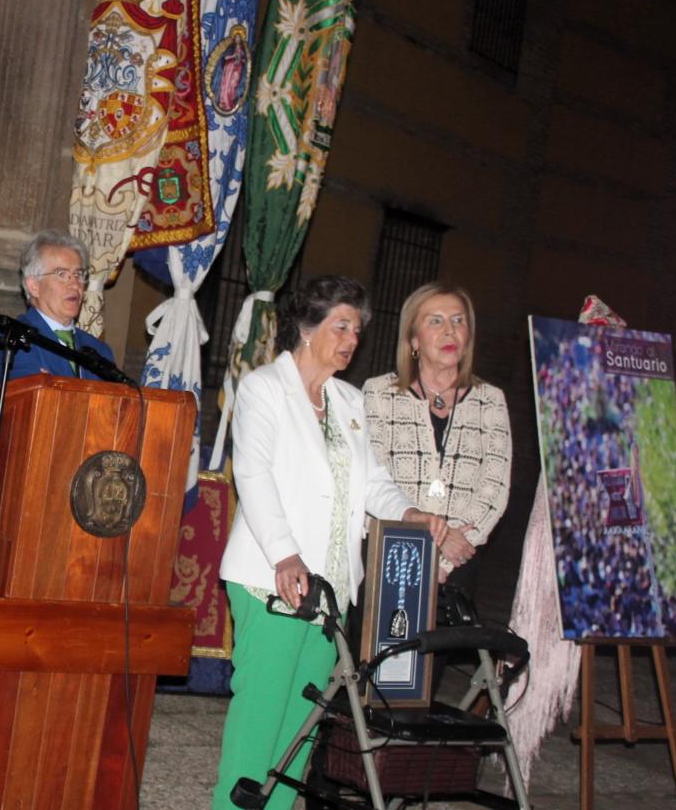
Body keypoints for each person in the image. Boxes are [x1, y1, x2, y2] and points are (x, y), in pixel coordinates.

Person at [213, 276, 447, 810]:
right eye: (340, 326)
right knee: (260, 719)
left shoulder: (348, 400)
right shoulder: (264, 388)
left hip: (331, 591)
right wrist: (284, 553)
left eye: (357, 331)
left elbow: (373, 483)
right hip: (272, 579)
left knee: (300, 726)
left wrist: (410, 511)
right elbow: (252, 475)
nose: (350, 340)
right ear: (306, 326)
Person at [362, 282, 511, 593]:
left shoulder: (491, 400)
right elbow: (373, 479)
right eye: (436, 321)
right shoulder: (379, 394)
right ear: (414, 340)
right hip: (392, 558)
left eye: (458, 321)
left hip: (459, 563)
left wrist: (445, 560)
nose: (449, 331)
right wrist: (433, 543)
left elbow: (494, 487)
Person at [0, 230, 116, 392]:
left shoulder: (100, 351)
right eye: (62, 274)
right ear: (34, 286)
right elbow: (32, 399)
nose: (75, 284)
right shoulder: (11, 338)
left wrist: (53, 382)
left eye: (78, 274)